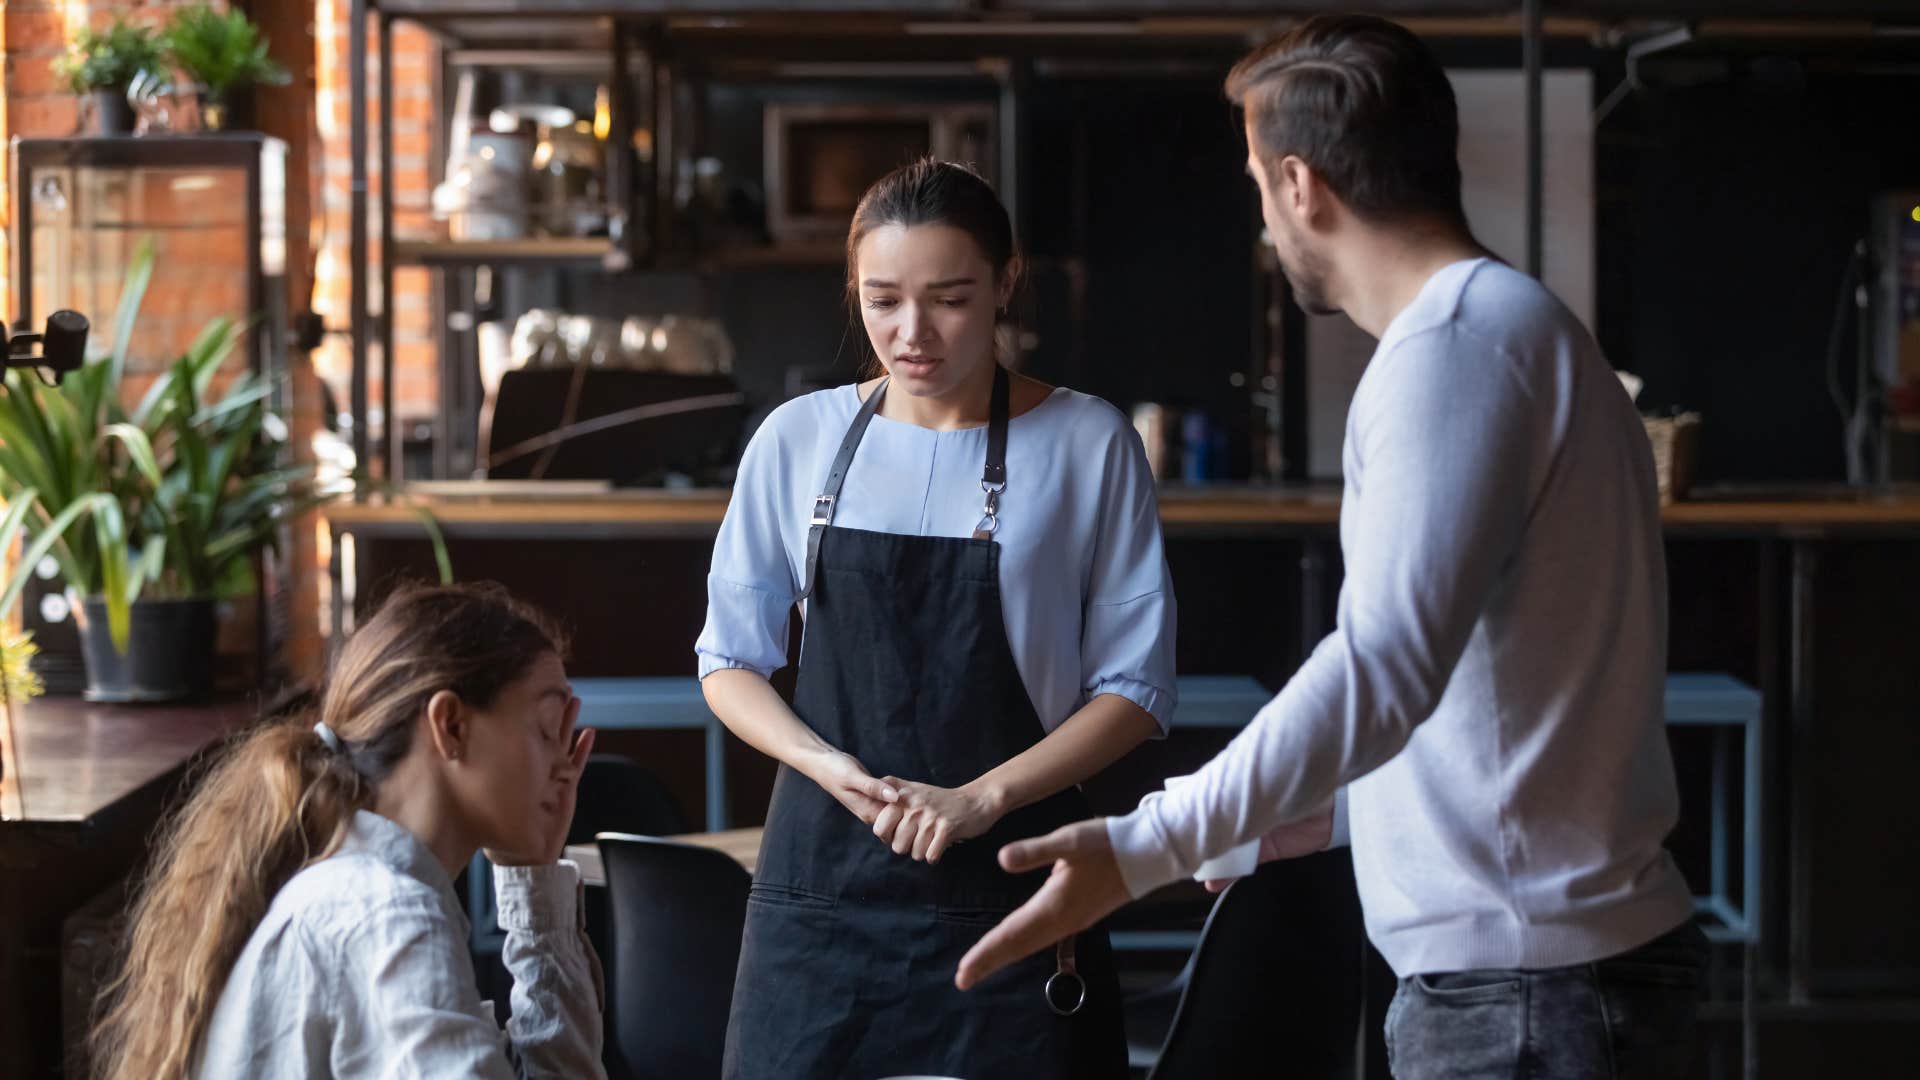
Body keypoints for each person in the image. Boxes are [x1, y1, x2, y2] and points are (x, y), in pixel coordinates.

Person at [957, 15, 1708, 1079]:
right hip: (1546, 978)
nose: (1265, 224)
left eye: (1259, 186)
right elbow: (1482, 707)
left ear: (1301, 185)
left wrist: (1149, 844)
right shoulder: (1509, 328)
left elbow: (1380, 668)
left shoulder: (1453, 349)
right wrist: (1296, 820)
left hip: (1528, 996)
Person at [697, 157, 1175, 1079]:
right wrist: (825, 766)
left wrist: (981, 797)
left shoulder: (1088, 443)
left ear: (1005, 283)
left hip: (1015, 893)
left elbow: (1135, 690)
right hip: (820, 900)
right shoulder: (796, 439)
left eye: (950, 300)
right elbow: (729, 661)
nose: (911, 334)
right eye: (882, 301)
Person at [91, 583, 606, 1080]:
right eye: (547, 729)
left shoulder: (363, 893)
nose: (565, 764)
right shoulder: (387, 916)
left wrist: (536, 879)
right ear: (451, 725)